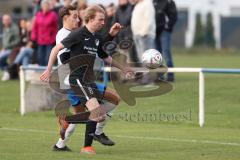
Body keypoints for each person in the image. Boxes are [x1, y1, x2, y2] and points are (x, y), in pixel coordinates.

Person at [40, 5, 130, 154]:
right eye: (75, 16)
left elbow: (98, 48)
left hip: (86, 79)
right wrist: (49, 70)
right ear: (65, 18)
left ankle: (65, 141)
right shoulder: (69, 34)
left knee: (100, 109)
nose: (78, 19)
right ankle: (88, 142)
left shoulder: (89, 35)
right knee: (96, 112)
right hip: (73, 80)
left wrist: (123, 66)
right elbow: (60, 53)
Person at [153, 0, 177, 82]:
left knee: (166, 53)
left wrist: (168, 27)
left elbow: (174, 16)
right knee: (157, 55)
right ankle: (160, 76)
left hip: (164, 32)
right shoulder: (151, 2)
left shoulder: (169, 2)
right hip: (154, 32)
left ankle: (171, 76)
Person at [31, 0, 58, 66]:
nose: (45, 7)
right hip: (40, 40)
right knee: (40, 58)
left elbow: (56, 27)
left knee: (48, 59)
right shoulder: (38, 14)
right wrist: (33, 36)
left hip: (49, 40)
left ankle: (48, 75)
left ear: (49, 6)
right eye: (44, 5)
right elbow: (35, 27)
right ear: (41, 6)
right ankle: (41, 75)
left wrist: (54, 38)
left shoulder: (53, 15)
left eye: (47, 5)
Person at [0, 14, 20, 81]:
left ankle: (7, 71)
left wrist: (7, 46)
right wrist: (3, 47)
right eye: (4, 20)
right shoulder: (5, 28)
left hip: (12, 49)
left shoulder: (14, 28)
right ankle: (7, 71)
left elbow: (17, 40)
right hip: (5, 49)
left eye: (6, 20)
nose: (5, 21)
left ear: (10, 20)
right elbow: (5, 40)